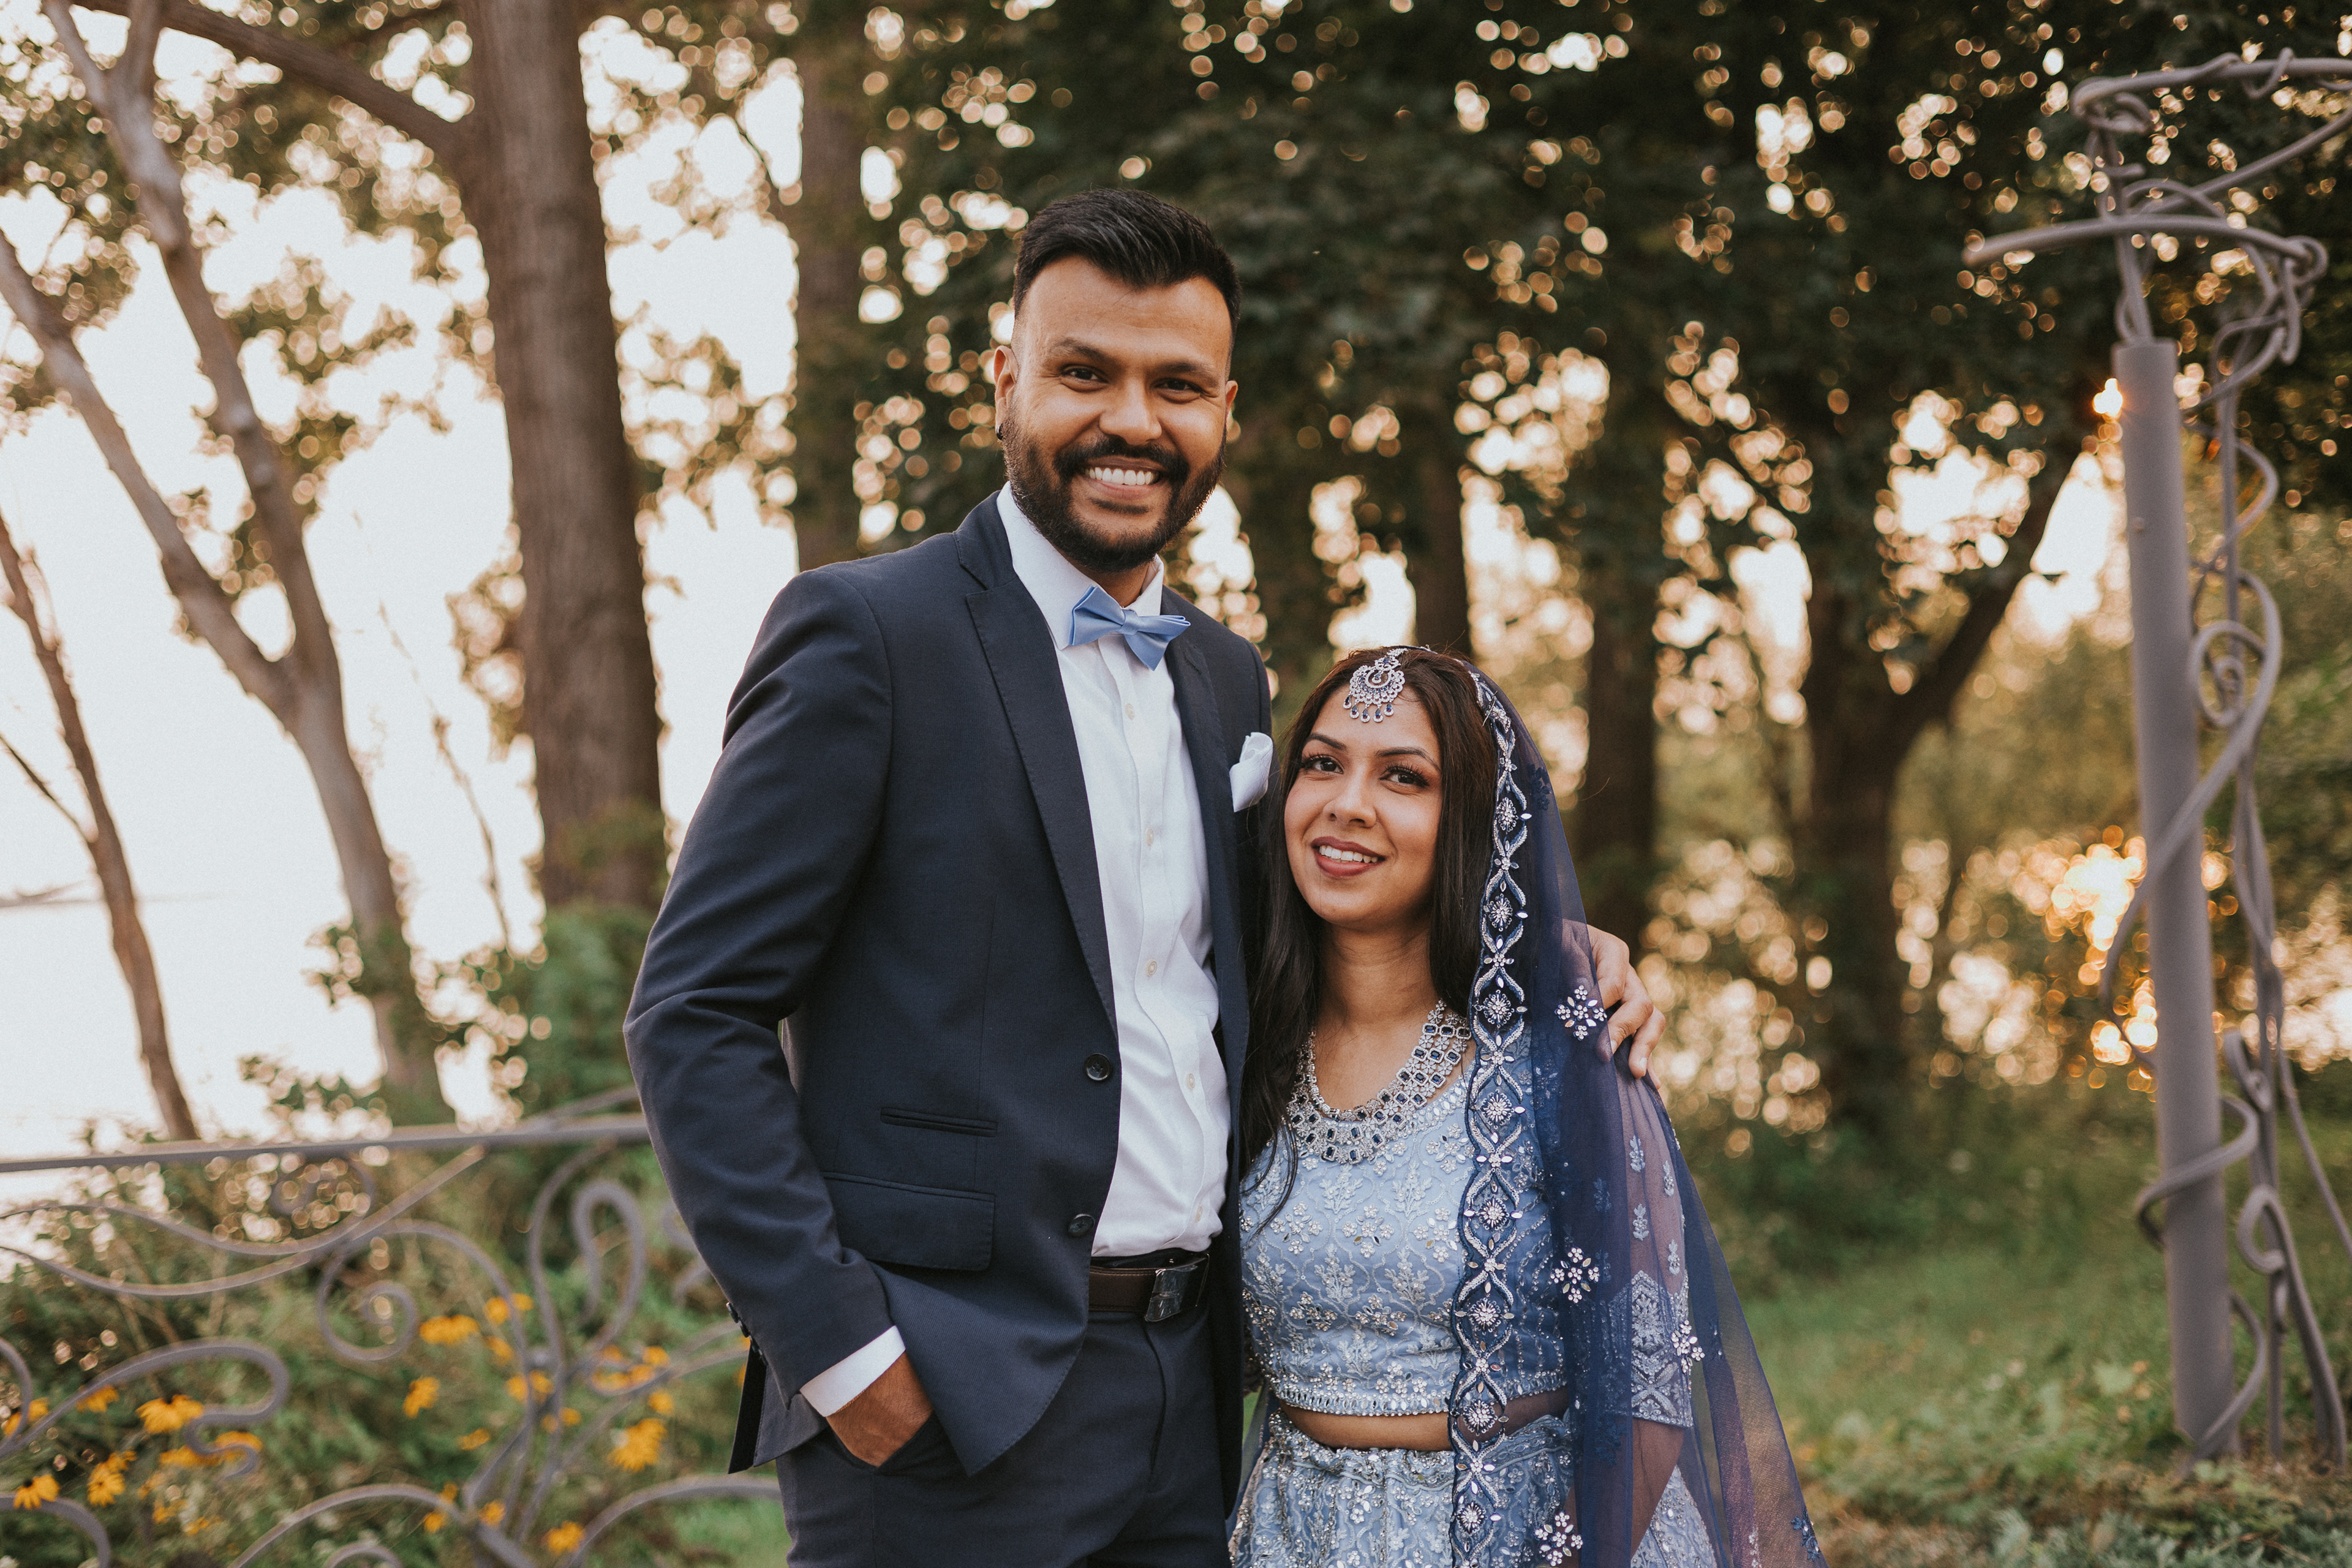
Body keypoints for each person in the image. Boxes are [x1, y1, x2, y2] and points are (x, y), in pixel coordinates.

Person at [625, 190, 1662, 1567]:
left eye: (1175, 385)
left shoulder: (1224, 676)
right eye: (1085, 373)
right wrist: (844, 1352)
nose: (1133, 421)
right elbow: (691, 1010)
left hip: (1194, 1402)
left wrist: (1554, 943)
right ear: (1005, 381)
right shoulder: (869, 634)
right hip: (945, 1403)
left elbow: (1309, 931)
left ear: (1224, 411)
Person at [1231, 647, 1821, 1567]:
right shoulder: (1242, 1038)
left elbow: (1648, 1386)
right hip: (1288, 1532)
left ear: (1476, 820)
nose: (1347, 803)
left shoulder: (1568, 1049)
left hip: (1531, 1537)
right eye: (1322, 763)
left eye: (1403, 777)